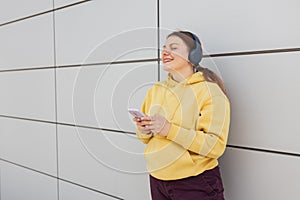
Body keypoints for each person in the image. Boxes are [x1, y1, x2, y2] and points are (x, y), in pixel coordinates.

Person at [133, 30, 230, 200]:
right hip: (158, 179)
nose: (165, 52)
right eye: (164, 47)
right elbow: (145, 138)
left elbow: (215, 146)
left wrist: (168, 129)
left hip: (195, 182)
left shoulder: (209, 91)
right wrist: (144, 129)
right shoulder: (156, 90)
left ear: (193, 55)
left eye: (173, 47)